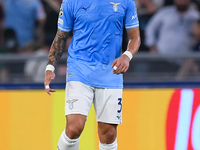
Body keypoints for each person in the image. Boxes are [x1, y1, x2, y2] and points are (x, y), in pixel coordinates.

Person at [44, 0, 140, 149]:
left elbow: (135, 37)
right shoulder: (71, 2)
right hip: (79, 70)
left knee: (108, 134)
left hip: (111, 71)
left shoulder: (126, 2)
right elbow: (61, 37)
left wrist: (127, 56)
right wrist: (50, 67)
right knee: (74, 127)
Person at [145, 0, 199, 73]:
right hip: (162, 57)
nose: (182, 2)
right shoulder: (165, 12)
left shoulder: (195, 15)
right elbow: (150, 28)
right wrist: (152, 46)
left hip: (183, 60)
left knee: (179, 82)